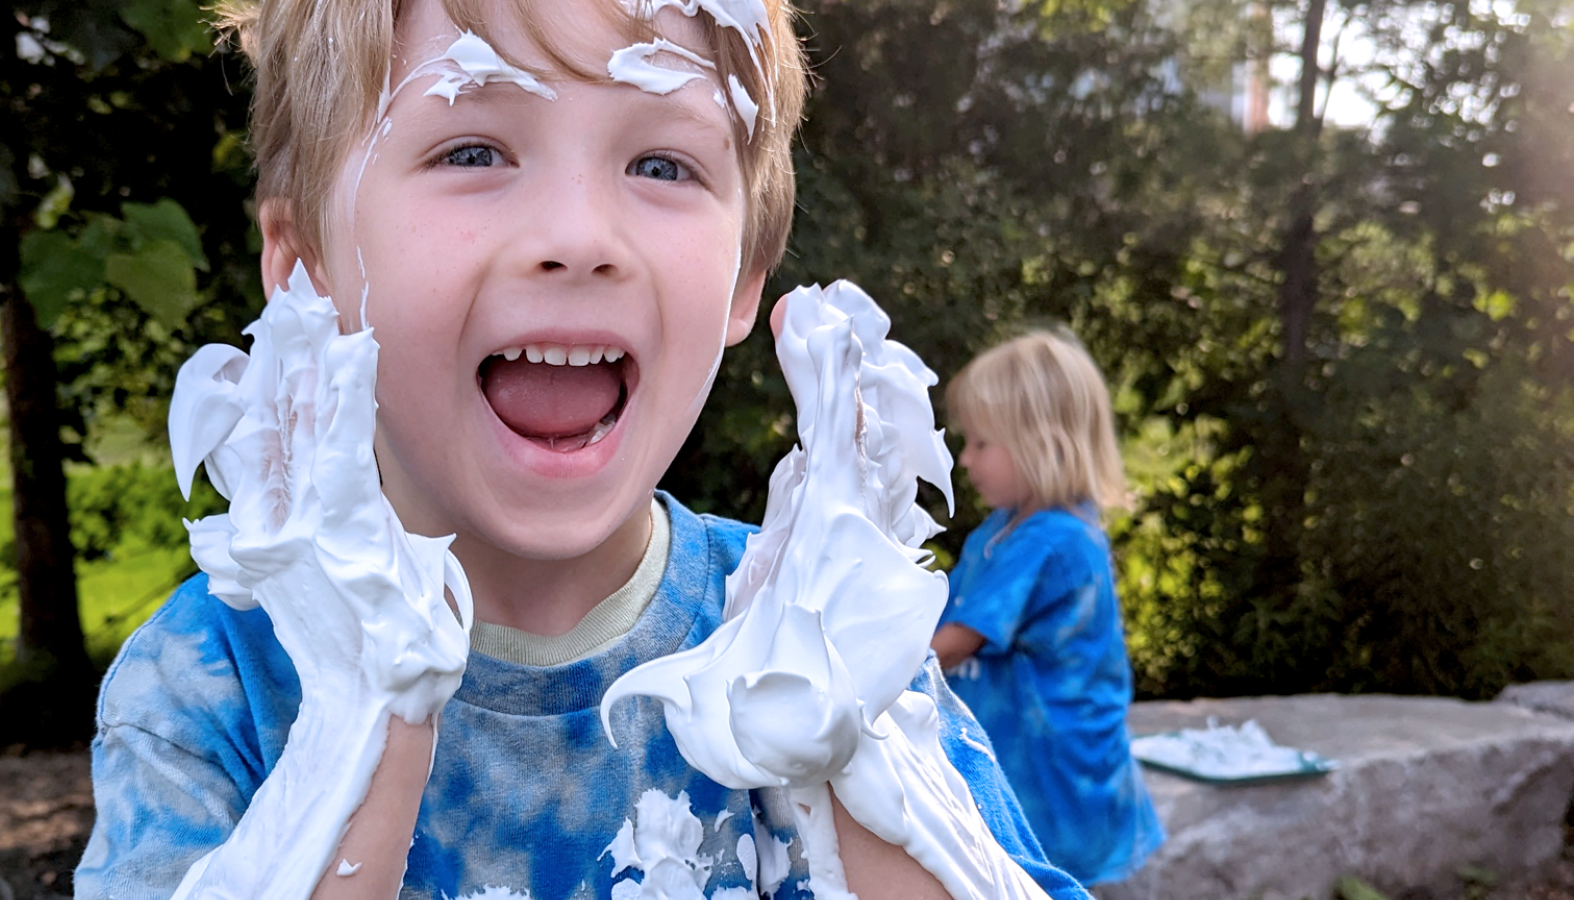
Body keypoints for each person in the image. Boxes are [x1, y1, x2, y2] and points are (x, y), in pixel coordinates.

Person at [74, 0, 1094, 896]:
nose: (578, 234)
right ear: (306, 268)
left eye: (662, 163)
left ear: (747, 277)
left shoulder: (833, 642)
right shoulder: (207, 685)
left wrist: (860, 749)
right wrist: (359, 725)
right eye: (472, 151)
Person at [928, 329, 1166, 886]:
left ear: (1042, 442)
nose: (964, 459)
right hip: (1038, 766)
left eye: (982, 443)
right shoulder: (1005, 531)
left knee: (1048, 884)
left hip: (1052, 780)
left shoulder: (1050, 542)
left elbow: (950, 643)